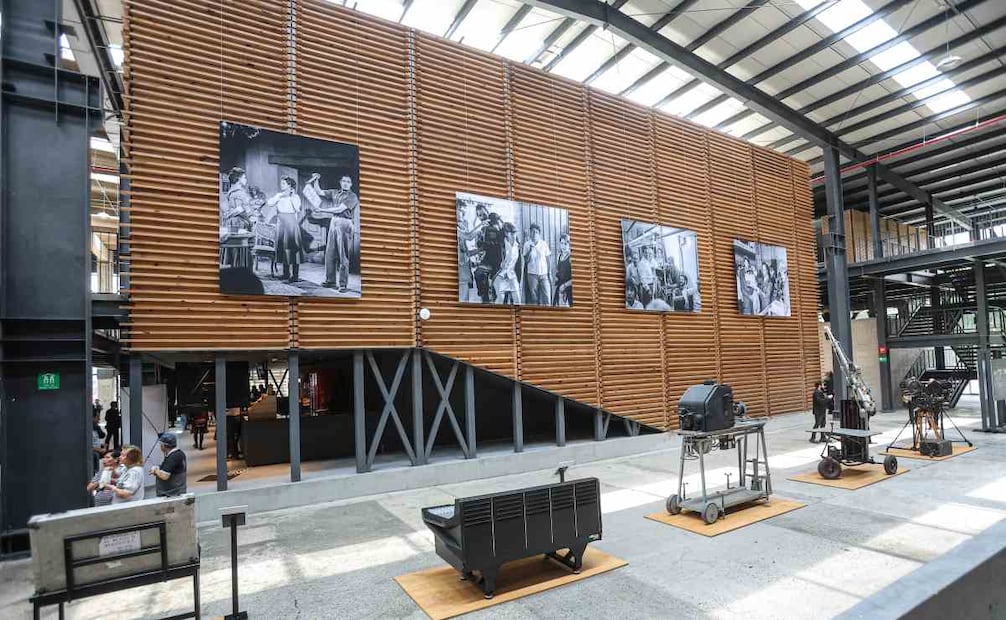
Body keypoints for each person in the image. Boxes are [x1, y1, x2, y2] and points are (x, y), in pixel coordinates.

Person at [309, 173, 359, 292]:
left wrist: (321, 210)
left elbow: (340, 209)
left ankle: (343, 284)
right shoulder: (335, 192)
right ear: (340, 182)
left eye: (348, 181)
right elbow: (319, 191)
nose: (346, 183)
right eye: (344, 181)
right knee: (330, 253)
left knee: (343, 255)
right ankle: (330, 281)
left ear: (351, 184)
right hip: (334, 222)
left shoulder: (352, 196)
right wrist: (316, 179)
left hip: (345, 223)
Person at [266, 176, 303, 282]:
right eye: (281, 183)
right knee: (283, 248)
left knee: (293, 249)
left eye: (283, 183)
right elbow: (270, 203)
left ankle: (295, 275)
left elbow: (297, 209)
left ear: (290, 186)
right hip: (281, 224)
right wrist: (281, 195)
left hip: (291, 224)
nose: (281, 185)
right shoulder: (279, 195)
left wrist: (291, 196)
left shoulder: (295, 197)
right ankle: (286, 274)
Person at [493, 222, 522, 304]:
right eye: (510, 233)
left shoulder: (517, 246)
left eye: (514, 233)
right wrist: (499, 266)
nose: (512, 236)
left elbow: (519, 264)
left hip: (512, 275)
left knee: (517, 299)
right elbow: (495, 260)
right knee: (500, 299)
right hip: (500, 275)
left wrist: (519, 278)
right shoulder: (500, 245)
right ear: (505, 233)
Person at [523, 223, 551, 305]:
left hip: (543, 274)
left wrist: (549, 273)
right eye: (532, 232)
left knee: (547, 296)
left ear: (539, 234)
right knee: (534, 297)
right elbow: (526, 261)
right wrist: (530, 250)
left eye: (536, 232)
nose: (534, 234)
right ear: (530, 233)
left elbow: (548, 259)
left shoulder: (544, 244)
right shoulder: (527, 244)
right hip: (532, 275)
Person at [222, 167, 253, 231]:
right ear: (239, 179)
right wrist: (250, 220)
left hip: (235, 222)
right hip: (239, 224)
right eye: (244, 178)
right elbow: (240, 210)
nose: (246, 180)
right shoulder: (238, 192)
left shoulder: (231, 191)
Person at [552, 233, 572, 307]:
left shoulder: (570, 258)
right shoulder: (559, 256)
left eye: (566, 244)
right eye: (562, 243)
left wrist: (565, 285)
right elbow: (558, 272)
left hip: (569, 288)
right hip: (560, 287)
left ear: (569, 245)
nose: (563, 246)